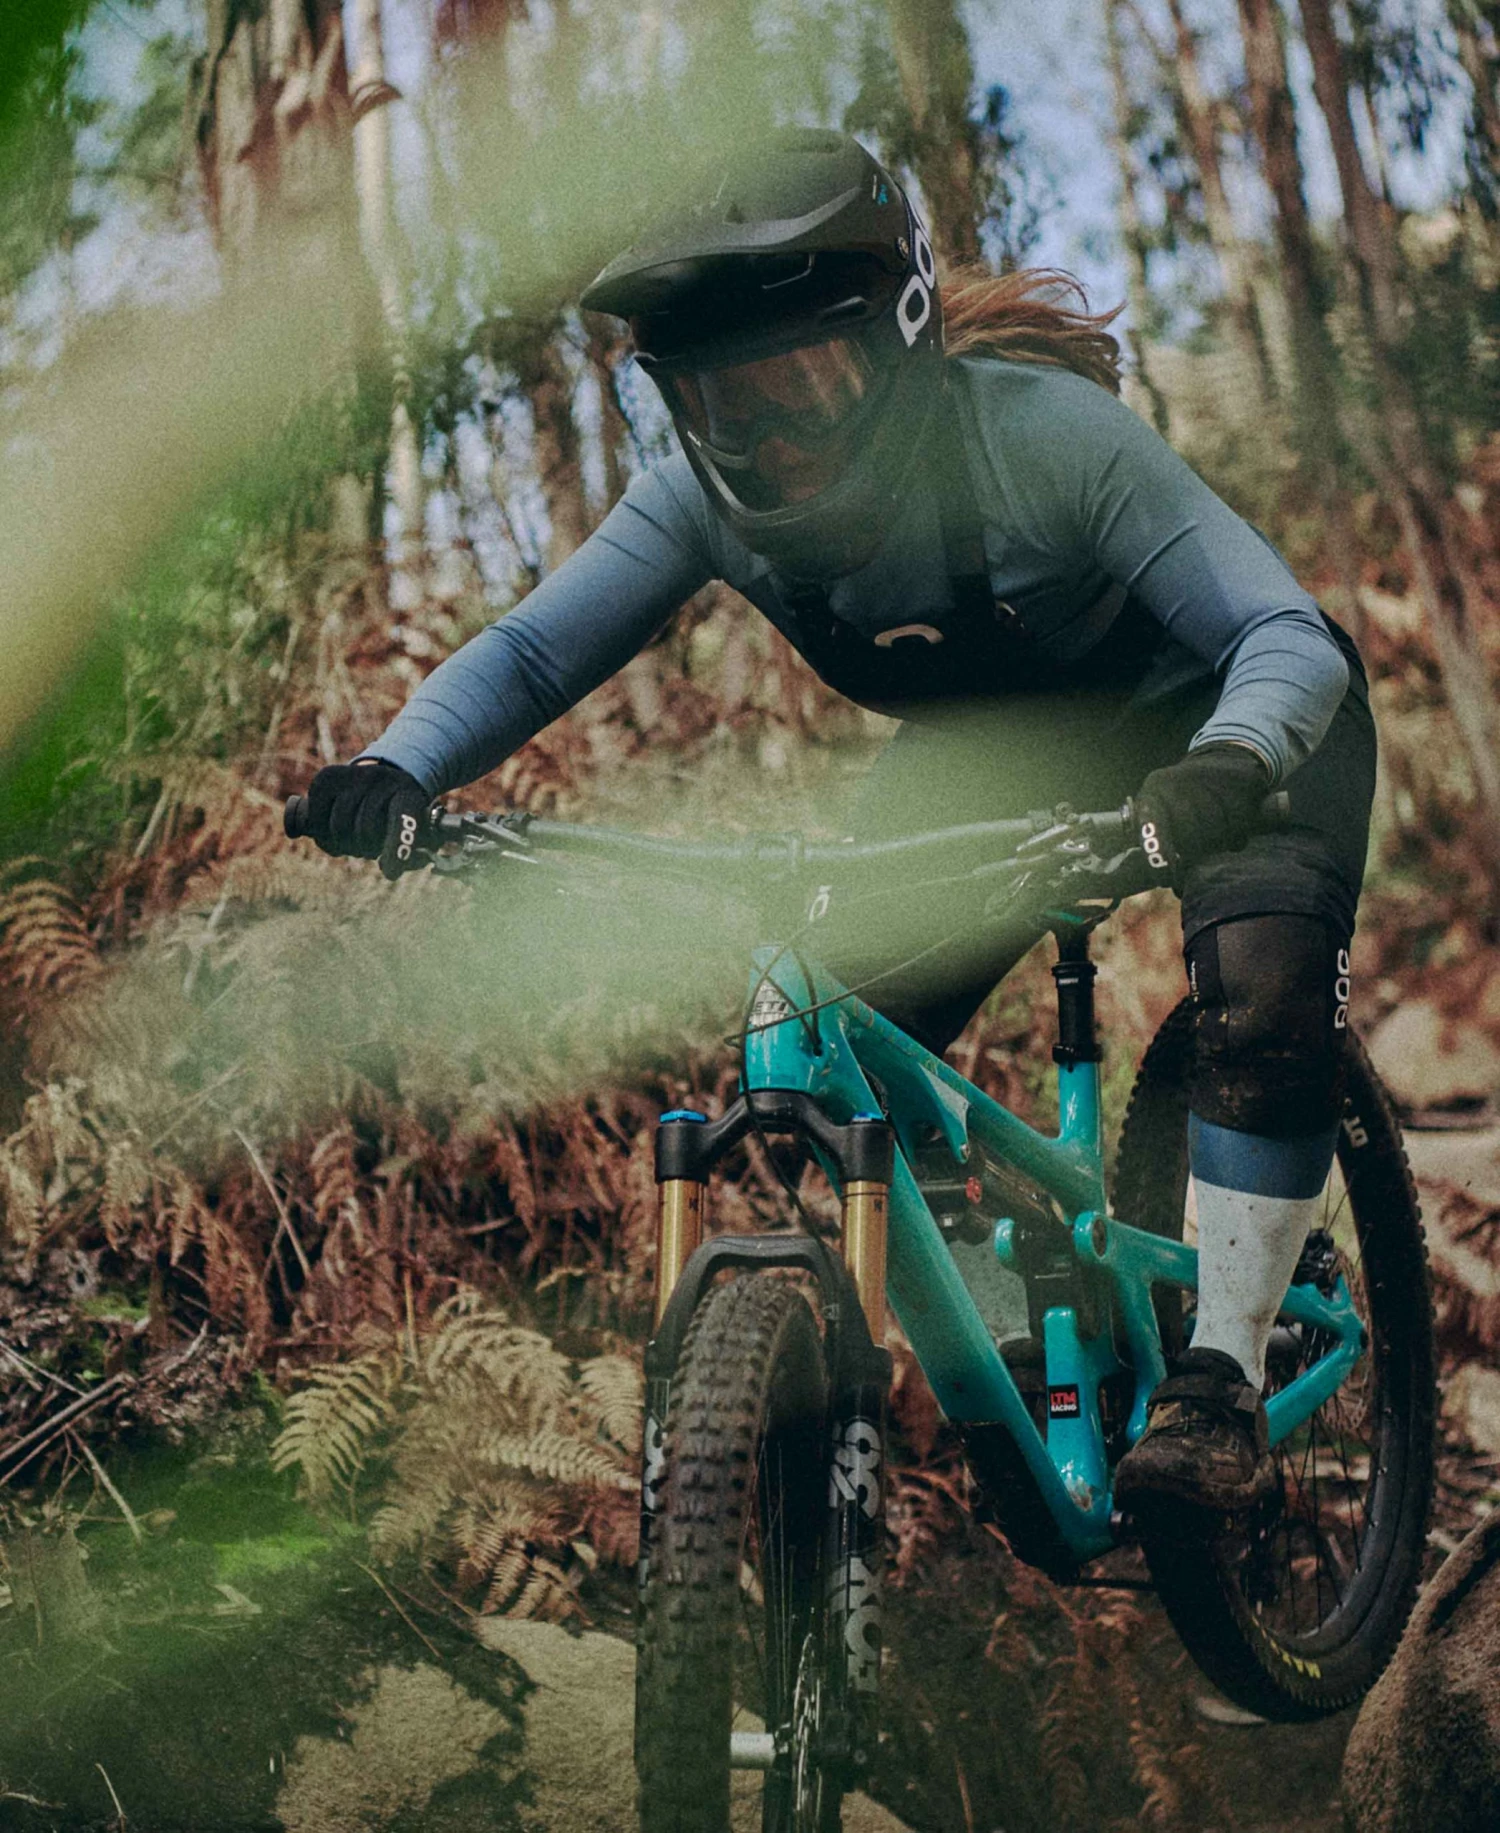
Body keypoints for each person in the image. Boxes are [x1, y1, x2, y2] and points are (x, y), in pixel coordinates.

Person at [296, 129, 1375, 1520]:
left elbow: (1283, 632)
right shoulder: (699, 505)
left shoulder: (1043, 440)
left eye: (804, 388)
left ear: (905, 340)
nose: (774, 445)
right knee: (826, 1021)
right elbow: (530, 655)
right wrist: (397, 768)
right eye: (724, 405)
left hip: (1231, 716)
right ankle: (1029, 1329)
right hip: (1001, 755)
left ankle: (1222, 1382)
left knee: (1261, 991)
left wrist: (1231, 760)